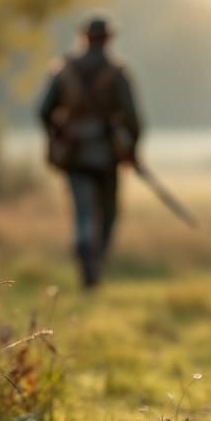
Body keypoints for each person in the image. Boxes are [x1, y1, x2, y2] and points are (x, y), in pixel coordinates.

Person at [39, 16, 143, 288]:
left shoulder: (64, 70)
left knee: (83, 212)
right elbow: (133, 118)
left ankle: (84, 248)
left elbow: (43, 111)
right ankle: (96, 264)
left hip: (73, 154)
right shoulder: (117, 72)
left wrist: (57, 135)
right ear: (108, 39)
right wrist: (131, 149)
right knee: (107, 214)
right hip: (107, 155)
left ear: (84, 37)